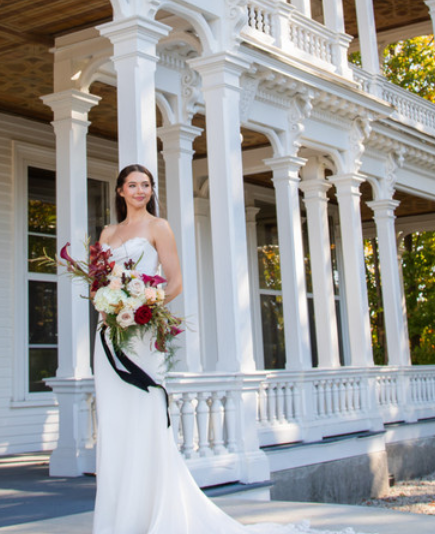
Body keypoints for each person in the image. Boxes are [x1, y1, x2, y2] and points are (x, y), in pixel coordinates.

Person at [91, 164, 370, 534]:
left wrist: (143, 303)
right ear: (120, 191)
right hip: (109, 337)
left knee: (144, 419)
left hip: (141, 333)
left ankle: (151, 515)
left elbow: (175, 282)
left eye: (146, 185)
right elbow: (98, 281)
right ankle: (117, 519)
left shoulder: (160, 227)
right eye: (133, 185)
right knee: (114, 424)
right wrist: (112, 302)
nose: (140, 191)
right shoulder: (108, 232)